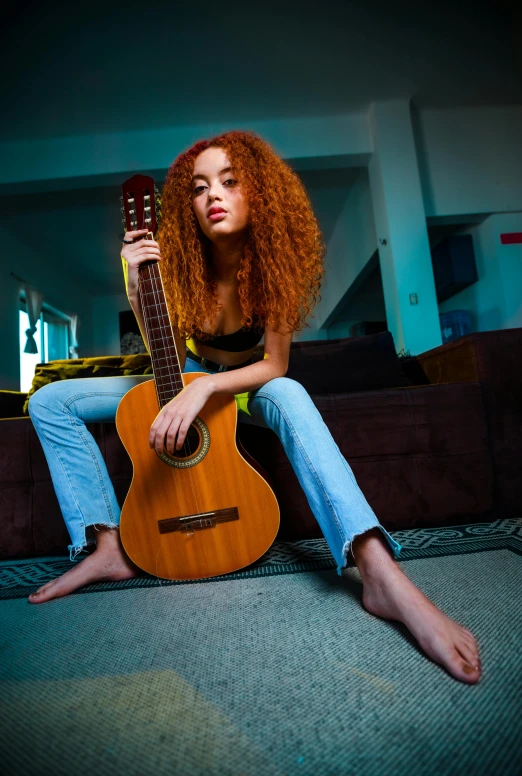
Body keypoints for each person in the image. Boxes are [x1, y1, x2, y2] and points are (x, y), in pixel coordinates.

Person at [27, 130, 481, 685]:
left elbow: (274, 366)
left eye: (229, 180)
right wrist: (135, 279)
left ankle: (377, 568)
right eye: (198, 188)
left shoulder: (276, 263)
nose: (213, 194)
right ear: (186, 206)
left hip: (240, 386)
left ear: (258, 191)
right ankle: (106, 544)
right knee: (50, 400)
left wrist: (206, 389)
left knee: (288, 394)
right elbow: (159, 349)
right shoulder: (179, 262)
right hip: (185, 374)